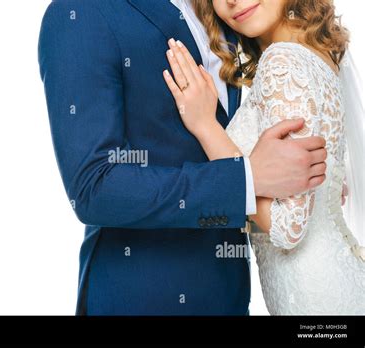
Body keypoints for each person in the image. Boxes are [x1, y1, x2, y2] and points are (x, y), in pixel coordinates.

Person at [38, 0, 328, 315]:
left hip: (232, 294)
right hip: (145, 298)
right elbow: (93, 188)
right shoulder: (82, 12)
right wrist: (247, 178)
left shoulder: (222, 10)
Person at [163, 0, 365, 314]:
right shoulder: (314, 52)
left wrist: (206, 127)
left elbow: (287, 229)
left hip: (319, 299)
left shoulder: (282, 60)